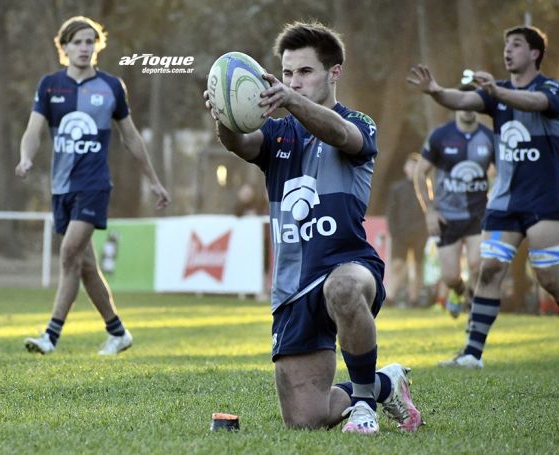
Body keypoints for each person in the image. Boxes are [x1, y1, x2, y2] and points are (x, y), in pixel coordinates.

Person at [203, 22, 422, 434]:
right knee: (306, 419)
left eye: (304, 72)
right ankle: (384, 383)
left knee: (342, 289)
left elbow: (341, 134)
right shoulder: (277, 133)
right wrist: (224, 115)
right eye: (286, 73)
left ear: (334, 72)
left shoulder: (359, 123)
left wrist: (290, 101)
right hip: (292, 285)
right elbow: (239, 143)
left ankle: (362, 407)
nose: (292, 82)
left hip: (348, 265)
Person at [408, 25, 559, 372]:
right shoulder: (493, 93)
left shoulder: (551, 87)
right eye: (505, 46)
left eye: (516, 45)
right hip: (504, 202)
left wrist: (497, 91)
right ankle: (472, 353)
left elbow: (537, 102)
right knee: (489, 271)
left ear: (534, 54)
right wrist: (435, 90)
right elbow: (463, 99)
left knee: (549, 278)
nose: (507, 51)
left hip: (544, 201)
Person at [16, 16, 169, 355]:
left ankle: (50, 336)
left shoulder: (111, 87)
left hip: (94, 186)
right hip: (61, 189)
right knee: (84, 266)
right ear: (65, 47)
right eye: (78, 42)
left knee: (69, 253)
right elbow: (33, 131)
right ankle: (118, 332)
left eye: (90, 41)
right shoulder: (50, 86)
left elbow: (131, 139)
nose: (84, 48)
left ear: (97, 47)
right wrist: (26, 158)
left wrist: (154, 182)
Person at [413, 91, 494, 318]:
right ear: (456, 105)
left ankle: (472, 304)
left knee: (478, 264)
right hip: (446, 216)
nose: (468, 108)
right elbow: (420, 173)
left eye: (473, 103)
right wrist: (430, 210)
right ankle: (458, 291)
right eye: (463, 102)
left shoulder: (489, 136)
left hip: (478, 214)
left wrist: (496, 197)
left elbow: (503, 174)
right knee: (449, 276)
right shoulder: (441, 135)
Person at [386, 154, 428, 307]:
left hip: (420, 233)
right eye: (410, 166)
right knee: (398, 265)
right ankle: (389, 297)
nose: (412, 169)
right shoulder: (397, 188)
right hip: (401, 233)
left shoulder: (426, 187)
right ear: (405, 168)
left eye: (415, 166)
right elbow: (391, 212)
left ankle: (414, 299)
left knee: (417, 266)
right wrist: (394, 231)